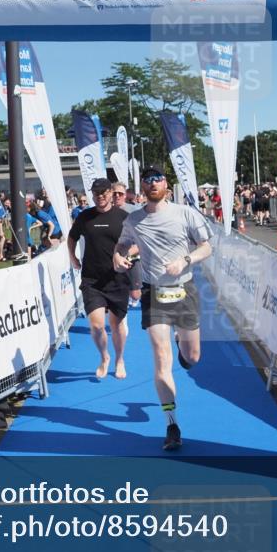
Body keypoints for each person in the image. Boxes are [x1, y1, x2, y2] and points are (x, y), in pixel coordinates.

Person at [112, 167, 213, 451]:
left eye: (157, 180)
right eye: (147, 181)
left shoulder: (185, 213)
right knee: (160, 355)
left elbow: (206, 248)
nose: (153, 184)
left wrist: (185, 260)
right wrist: (118, 258)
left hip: (184, 289)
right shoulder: (134, 219)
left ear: (167, 185)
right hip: (153, 292)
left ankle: (183, 340)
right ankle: (172, 424)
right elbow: (122, 247)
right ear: (142, 187)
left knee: (192, 357)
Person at [66, 178, 134, 379]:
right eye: (96, 194)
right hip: (91, 279)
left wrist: (126, 257)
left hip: (118, 279)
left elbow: (137, 243)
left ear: (112, 194)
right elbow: (72, 237)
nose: (100, 197)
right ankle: (104, 357)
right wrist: (73, 257)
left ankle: (119, 358)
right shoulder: (85, 217)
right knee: (96, 325)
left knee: (117, 325)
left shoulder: (124, 217)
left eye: (104, 193)